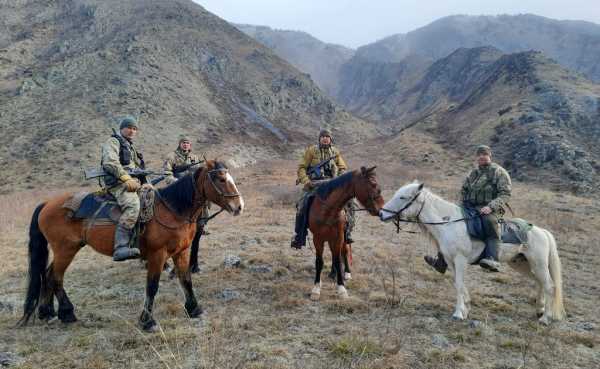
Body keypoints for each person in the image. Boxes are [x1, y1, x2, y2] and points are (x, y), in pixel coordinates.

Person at [424, 145, 512, 273]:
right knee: (450, 224)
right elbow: (464, 189)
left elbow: (505, 194)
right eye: (479, 154)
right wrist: (461, 204)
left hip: (489, 209)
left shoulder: (499, 172)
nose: (481, 156)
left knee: (489, 223)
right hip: (470, 207)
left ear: (490, 156)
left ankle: (492, 259)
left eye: (484, 154)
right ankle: (441, 262)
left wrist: (490, 207)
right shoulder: (473, 173)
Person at [290, 129, 355, 249]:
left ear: (330, 139)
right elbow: (301, 168)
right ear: (319, 138)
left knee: (350, 203)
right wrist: (306, 181)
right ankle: (299, 236)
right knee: (302, 205)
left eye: (327, 136)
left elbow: (342, 167)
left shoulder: (335, 152)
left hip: (332, 183)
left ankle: (347, 232)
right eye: (323, 136)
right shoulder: (311, 151)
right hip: (314, 184)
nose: (325, 138)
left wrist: (340, 178)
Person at [101, 116, 144, 261]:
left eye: (134, 129)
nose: (132, 131)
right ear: (122, 128)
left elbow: (135, 167)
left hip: (133, 182)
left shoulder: (130, 146)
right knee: (133, 205)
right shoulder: (113, 141)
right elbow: (110, 162)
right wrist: (125, 178)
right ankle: (121, 247)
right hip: (118, 184)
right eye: (129, 128)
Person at [162, 136, 207, 273]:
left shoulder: (195, 158)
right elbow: (167, 174)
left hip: (194, 195)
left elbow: (201, 175)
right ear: (179, 144)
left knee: (204, 205)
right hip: (179, 193)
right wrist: (178, 184)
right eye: (183, 142)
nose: (186, 145)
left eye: (188, 143)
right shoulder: (171, 156)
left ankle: (202, 223)